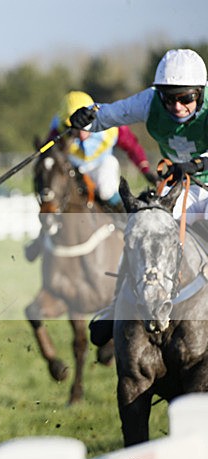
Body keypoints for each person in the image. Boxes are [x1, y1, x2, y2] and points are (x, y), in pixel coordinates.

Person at [67, 49, 208, 345]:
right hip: (181, 187)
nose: (178, 106)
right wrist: (87, 118)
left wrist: (196, 164)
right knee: (143, 229)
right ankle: (115, 306)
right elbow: (109, 114)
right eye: (170, 99)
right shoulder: (148, 102)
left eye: (187, 98)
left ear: (201, 93)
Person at [24, 90, 156, 261]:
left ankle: (127, 223)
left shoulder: (112, 125)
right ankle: (42, 238)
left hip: (102, 163)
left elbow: (132, 146)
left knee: (107, 187)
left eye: (83, 126)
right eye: (74, 128)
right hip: (75, 167)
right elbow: (50, 152)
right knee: (57, 193)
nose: (80, 134)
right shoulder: (59, 126)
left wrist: (145, 169)